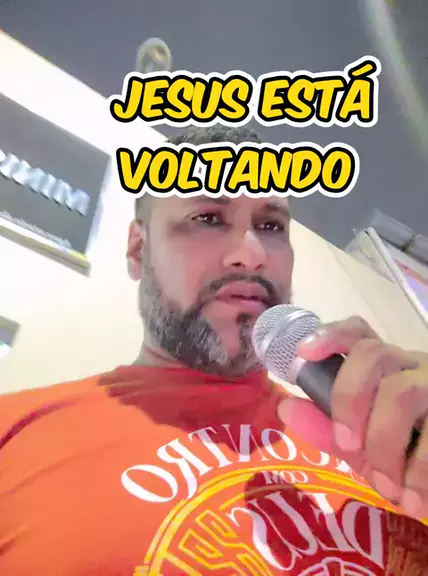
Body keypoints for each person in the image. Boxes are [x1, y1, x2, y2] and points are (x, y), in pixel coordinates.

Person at [0, 125, 427, 576]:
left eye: (271, 226)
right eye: (208, 217)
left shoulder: (384, 438)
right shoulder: (14, 434)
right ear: (139, 249)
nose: (251, 253)